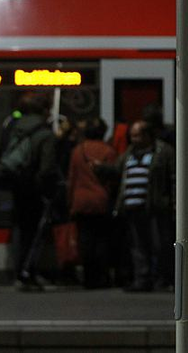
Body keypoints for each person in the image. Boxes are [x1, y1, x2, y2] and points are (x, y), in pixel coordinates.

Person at [2, 93, 59, 291]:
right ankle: (28, 273)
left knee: (21, 229)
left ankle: (20, 271)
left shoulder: (13, 127)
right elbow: (47, 168)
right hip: (35, 190)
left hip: (18, 185)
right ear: (44, 111)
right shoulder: (45, 133)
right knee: (34, 233)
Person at [114, 120, 175, 292]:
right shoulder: (129, 153)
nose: (134, 139)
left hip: (154, 206)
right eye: (132, 136)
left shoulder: (163, 151)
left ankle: (162, 278)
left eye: (137, 135)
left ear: (148, 135)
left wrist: (173, 202)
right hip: (133, 205)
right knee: (138, 245)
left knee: (160, 244)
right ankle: (143, 278)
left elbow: (172, 178)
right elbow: (117, 170)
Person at [67, 117, 118, 289]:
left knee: (85, 239)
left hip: (81, 199)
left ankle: (89, 277)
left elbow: (72, 179)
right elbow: (113, 178)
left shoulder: (77, 151)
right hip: (101, 199)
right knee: (102, 239)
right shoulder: (108, 151)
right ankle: (101, 276)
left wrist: (70, 201)